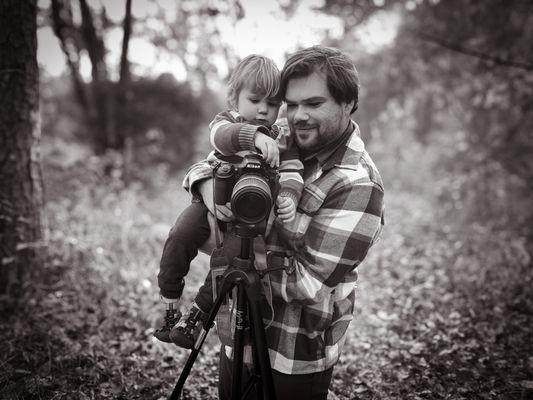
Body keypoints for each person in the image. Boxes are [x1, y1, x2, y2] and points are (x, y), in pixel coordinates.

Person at [182, 45, 385, 399]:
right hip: (238, 330)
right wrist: (205, 184)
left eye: (314, 103)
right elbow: (214, 158)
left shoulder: (358, 183)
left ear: (348, 102)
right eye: (292, 105)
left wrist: (231, 255)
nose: (297, 116)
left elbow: (307, 284)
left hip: (293, 352)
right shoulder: (278, 136)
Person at [154, 54, 304, 348]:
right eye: (255, 100)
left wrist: (288, 195)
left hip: (247, 220)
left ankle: (197, 316)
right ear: (234, 98)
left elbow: (293, 172)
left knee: (231, 263)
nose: (264, 110)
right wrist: (256, 138)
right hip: (209, 205)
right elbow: (222, 138)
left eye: (273, 104)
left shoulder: (283, 138)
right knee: (180, 234)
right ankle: (170, 303)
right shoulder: (225, 123)